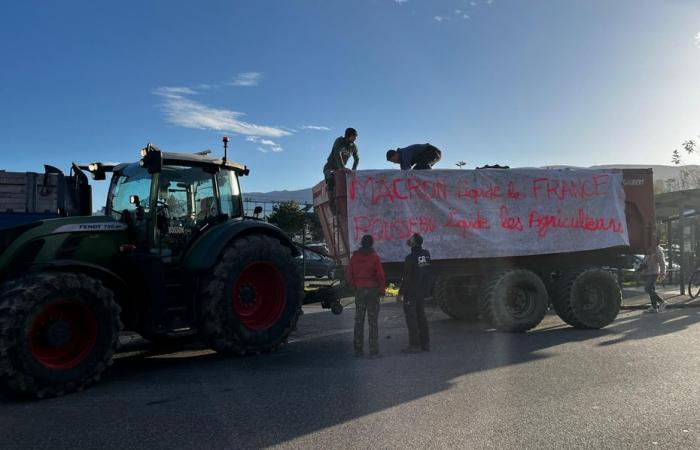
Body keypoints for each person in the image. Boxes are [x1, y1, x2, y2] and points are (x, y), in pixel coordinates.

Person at [346, 234, 385, 358]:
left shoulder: (355, 257)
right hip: (372, 290)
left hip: (359, 289)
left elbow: (349, 273)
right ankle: (374, 351)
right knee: (373, 322)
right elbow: (380, 275)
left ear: (361, 243)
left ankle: (358, 350)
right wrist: (382, 289)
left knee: (359, 320)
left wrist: (353, 285)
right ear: (372, 243)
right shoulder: (374, 257)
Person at [399, 233, 432, 353]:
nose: (409, 240)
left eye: (411, 239)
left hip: (411, 292)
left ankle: (414, 344)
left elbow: (407, 278)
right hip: (421, 291)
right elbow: (426, 272)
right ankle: (425, 343)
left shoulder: (410, 258)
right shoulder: (426, 254)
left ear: (414, 243)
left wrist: (401, 293)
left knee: (411, 318)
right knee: (421, 316)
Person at [323, 128, 359, 213]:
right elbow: (337, 153)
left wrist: (354, 170)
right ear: (348, 135)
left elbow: (357, 159)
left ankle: (349, 204)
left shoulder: (353, 146)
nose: (355, 138)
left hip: (340, 169)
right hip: (330, 167)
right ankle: (331, 205)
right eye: (353, 136)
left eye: (356, 137)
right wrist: (342, 167)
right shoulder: (339, 141)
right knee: (331, 178)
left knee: (346, 183)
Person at [639, 237, 667, 313]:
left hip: (654, 273)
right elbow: (645, 260)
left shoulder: (658, 250)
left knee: (647, 288)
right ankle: (654, 307)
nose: (652, 242)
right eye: (651, 241)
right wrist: (642, 266)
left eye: (654, 241)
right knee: (651, 290)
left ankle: (662, 302)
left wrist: (662, 273)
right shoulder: (649, 249)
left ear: (657, 242)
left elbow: (662, 263)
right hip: (647, 273)